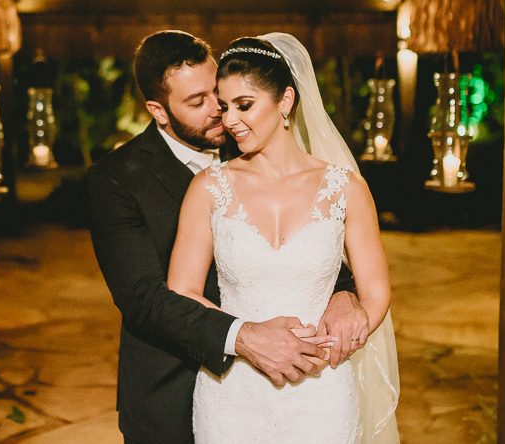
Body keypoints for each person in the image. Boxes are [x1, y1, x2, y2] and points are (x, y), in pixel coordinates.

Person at [87, 30, 369, 443]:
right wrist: (244, 336)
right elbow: (144, 299)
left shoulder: (253, 142)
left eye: (217, 95)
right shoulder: (115, 179)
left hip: (292, 387)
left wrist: (344, 292)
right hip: (170, 390)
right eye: (197, 103)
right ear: (158, 110)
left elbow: (304, 240)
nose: (220, 113)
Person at [167, 33, 400, 443]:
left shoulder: (346, 188)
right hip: (233, 394)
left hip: (322, 393)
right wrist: (243, 336)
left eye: (244, 105)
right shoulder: (208, 188)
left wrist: (334, 347)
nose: (230, 120)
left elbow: (376, 292)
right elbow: (181, 289)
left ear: (286, 101)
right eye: (224, 108)